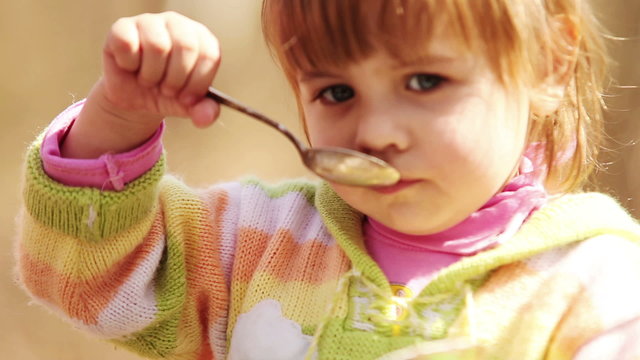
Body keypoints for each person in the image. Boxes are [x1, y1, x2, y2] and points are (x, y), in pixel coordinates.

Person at [16, 1, 640, 359]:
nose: (376, 132)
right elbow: (84, 279)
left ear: (549, 61)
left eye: (425, 82)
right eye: (337, 91)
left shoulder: (595, 289)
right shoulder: (254, 245)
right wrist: (118, 118)